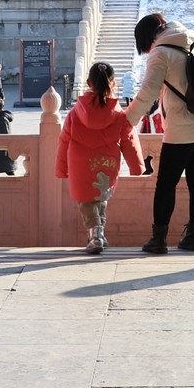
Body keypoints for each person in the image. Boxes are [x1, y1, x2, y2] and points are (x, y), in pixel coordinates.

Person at [126, 12, 194, 254]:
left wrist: (127, 120)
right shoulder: (192, 42)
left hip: (183, 128)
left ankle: (159, 239)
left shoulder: (161, 53)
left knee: (166, 183)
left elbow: (147, 94)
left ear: (146, 38)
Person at [56, 62, 142, 254]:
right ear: (113, 83)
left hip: (80, 164)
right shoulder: (119, 114)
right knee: (101, 197)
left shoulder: (76, 112)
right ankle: (99, 234)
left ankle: (95, 235)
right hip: (108, 163)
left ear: (88, 83)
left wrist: (61, 168)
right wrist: (136, 167)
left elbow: (63, 140)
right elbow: (129, 139)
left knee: (86, 200)